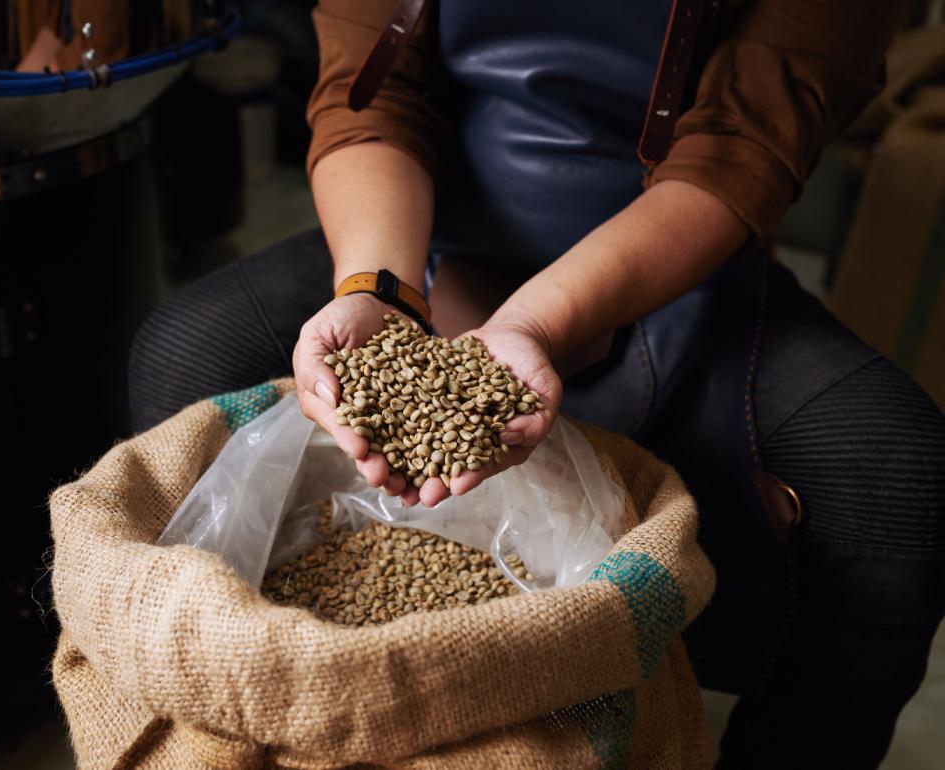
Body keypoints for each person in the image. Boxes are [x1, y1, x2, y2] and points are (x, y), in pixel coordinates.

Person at [128, 1, 945, 766]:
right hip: (423, 228)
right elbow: (370, 97)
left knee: (893, 471)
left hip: (681, 260)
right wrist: (376, 288)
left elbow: (744, 148)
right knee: (188, 353)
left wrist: (533, 325)